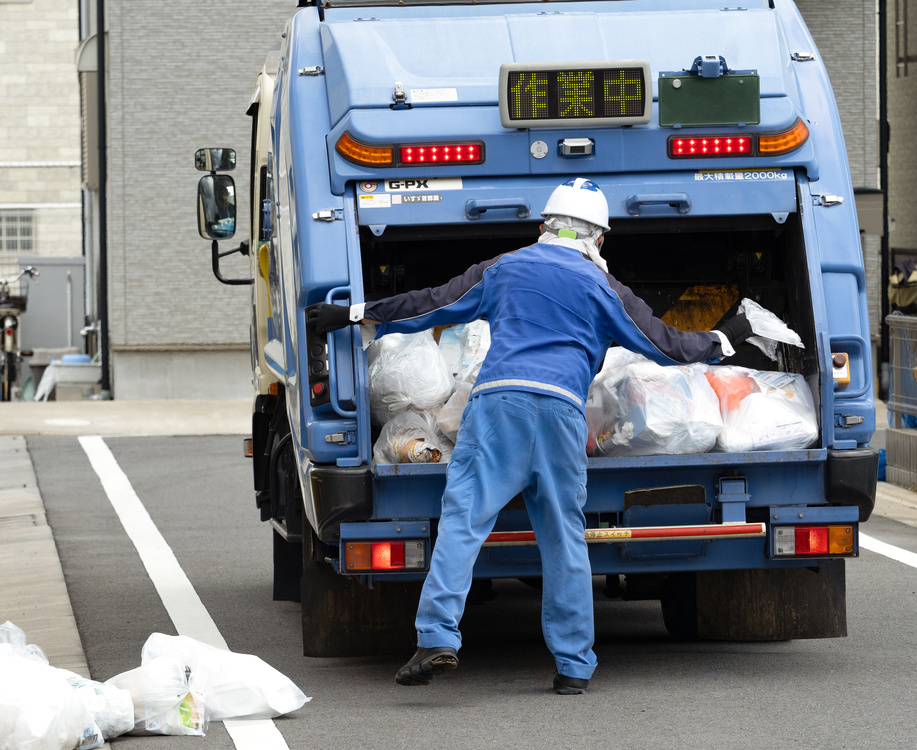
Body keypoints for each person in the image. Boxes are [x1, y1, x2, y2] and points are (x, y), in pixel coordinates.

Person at [307, 177, 752, 694]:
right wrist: (724, 340)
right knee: (563, 537)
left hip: (500, 405)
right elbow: (667, 346)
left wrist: (355, 314)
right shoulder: (603, 286)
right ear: (600, 239)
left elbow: (433, 305)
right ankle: (573, 666)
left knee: (464, 518)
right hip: (563, 413)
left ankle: (437, 637)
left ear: (543, 227)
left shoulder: (506, 266)